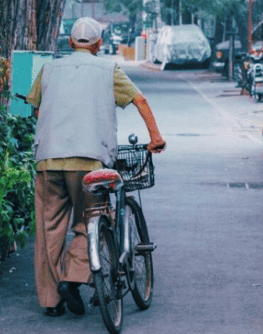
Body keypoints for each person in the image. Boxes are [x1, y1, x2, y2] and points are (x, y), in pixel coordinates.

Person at [26, 17, 167, 318]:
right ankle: (73, 277)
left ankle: (51, 301)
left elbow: (37, 107)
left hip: (49, 161)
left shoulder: (49, 69)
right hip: (89, 162)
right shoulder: (108, 70)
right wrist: (155, 137)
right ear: (99, 44)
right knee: (93, 218)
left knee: (48, 230)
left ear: (70, 42)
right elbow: (139, 100)